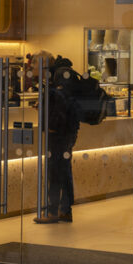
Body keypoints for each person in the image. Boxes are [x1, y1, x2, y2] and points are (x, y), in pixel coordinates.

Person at [34, 53, 81, 224]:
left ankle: (53, 211)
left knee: (55, 171)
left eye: (34, 65)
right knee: (63, 170)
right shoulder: (61, 75)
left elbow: (61, 105)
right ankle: (65, 211)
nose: (32, 69)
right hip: (67, 132)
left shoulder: (58, 76)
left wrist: (51, 126)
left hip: (60, 134)